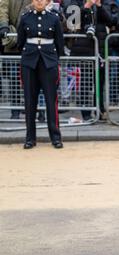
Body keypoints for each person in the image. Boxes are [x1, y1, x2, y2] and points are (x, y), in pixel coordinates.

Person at [17, 0, 65, 149]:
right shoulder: (25, 18)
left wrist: (54, 60)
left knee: (51, 101)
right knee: (30, 101)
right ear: (32, 1)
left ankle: (55, 137)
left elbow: (59, 43)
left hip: (48, 62)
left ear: (47, 2)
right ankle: (30, 138)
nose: (39, 2)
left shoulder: (54, 18)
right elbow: (20, 42)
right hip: (29, 62)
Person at [0, 0, 32, 120]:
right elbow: (3, 9)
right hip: (14, 40)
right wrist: (4, 26)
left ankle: (38, 110)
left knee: (33, 78)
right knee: (14, 79)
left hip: (32, 40)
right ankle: (15, 111)